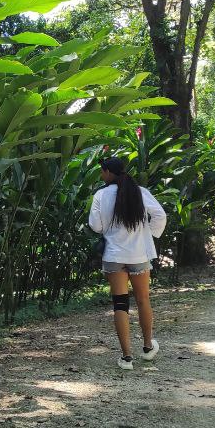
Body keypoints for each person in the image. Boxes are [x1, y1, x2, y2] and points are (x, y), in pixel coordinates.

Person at [87, 156, 167, 370]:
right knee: (143, 299)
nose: (101, 175)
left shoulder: (100, 195)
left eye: (102, 172)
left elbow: (95, 226)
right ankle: (148, 347)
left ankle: (126, 357)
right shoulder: (139, 191)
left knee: (120, 305)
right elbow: (159, 215)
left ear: (107, 172)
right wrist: (146, 234)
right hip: (139, 255)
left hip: (114, 256)